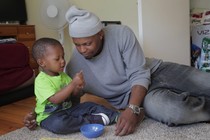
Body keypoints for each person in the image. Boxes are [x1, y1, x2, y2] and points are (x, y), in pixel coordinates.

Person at [24, 6, 210, 136]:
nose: (82, 50)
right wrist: (38, 113)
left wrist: (131, 109)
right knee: (174, 112)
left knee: (204, 82)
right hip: (141, 97)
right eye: (77, 45)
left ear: (100, 34)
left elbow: (139, 73)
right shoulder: (73, 68)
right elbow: (59, 97)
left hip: (156, 71)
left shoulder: (121, 34)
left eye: (87, 43)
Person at [30, 37, 119, 134]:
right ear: (42, 62)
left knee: (89, 105)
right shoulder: (41, 80)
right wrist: (73, 84)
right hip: (50, 116)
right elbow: (55, 99)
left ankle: (115, 116)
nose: (63, 61)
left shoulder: (63, 76)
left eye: (63, 57)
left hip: (69, 109)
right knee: (60, 125)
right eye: (57, 59)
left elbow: (74, 98)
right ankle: (92, 120)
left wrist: (78, 88)